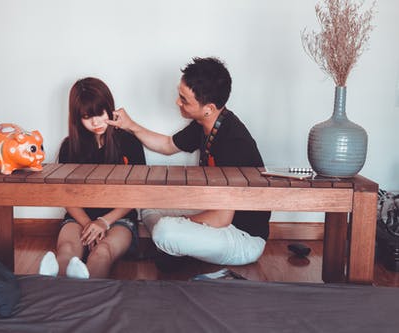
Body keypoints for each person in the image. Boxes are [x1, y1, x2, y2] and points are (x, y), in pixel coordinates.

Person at [106, 57, 270, 269]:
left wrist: (181, 221)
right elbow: (166, 145)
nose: (177, 102)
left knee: (166, 230)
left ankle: (174, 246)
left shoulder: (234, 142)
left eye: (184, 99)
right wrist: (130, 125)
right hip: (217, 216)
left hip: (242, 236)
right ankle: (177, 247)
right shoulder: (204, 124)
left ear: (208, 108)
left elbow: (222, 217)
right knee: (149, 204)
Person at [39, 77, 146, 278]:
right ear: (77, 118)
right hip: (78, 218)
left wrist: (103, 222)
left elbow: (136, 194)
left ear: (109, 109)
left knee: (101, 254)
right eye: (88, 117)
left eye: (99, 114)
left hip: (119, 220)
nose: (95, 122)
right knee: (66, 254)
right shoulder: (69, 147)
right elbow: (65, 196)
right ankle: (54, 291)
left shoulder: (129, 142)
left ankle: (87, 303)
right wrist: (89, 224)